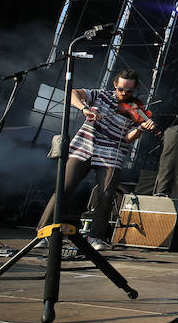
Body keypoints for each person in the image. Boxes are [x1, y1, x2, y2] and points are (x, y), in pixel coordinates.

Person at [36, 69, 156, 250]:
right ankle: (42, 233)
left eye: (129, 91)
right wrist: (84, 108)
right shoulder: (100, 95)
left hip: (111, 154)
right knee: (63, 189)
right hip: (85, 147)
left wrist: (141, 129)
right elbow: (73, 93)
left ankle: (95, 237)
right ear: (115, 84)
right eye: (122, 89)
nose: (124, 94)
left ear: (135, 89)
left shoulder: (137, 109)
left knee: (106, 195)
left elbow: (127, 138)